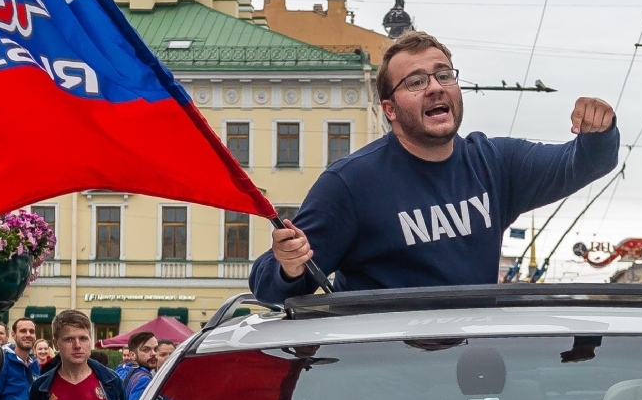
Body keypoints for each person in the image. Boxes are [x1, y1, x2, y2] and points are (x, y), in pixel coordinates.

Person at [250, 31, 618, 302]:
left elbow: (581, 164)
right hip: (385, 377)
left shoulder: (495, 163)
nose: (435, 87)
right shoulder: (351, 184)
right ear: (390, 110)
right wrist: (288, 265)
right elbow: (270, 286)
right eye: (416, 81)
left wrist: (599, 131)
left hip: (468, 372)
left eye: (444, 75)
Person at [115, 330, 158, 400]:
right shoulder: (144, 379)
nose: (153, 353)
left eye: (155, 349)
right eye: (146, 350)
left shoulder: (120, 371)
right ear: (132, 355)